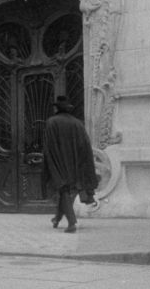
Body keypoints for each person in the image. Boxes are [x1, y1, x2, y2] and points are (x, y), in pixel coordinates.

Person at [43, 96, 98, 233]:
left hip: (59, 163)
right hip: (76, 164)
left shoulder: (51, 122)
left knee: (63, 190)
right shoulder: (78, 123)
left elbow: (49, 146)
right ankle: (57, 218)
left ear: (57, 108)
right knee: (66, 191)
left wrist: (50, 164)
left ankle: (72, 222)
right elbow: (85, 146)